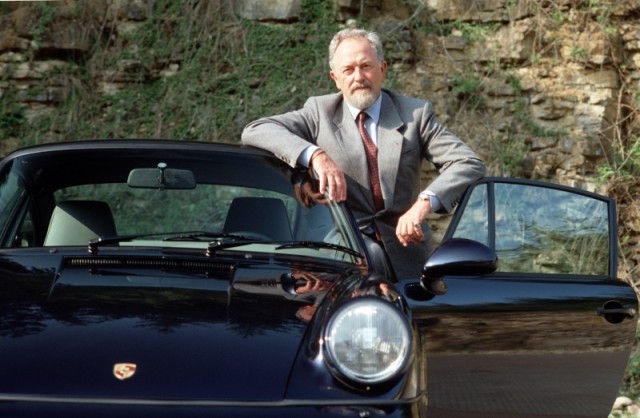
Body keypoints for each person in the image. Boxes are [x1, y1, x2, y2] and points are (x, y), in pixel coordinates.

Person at [242, 28, 485, 279]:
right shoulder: (319, 112)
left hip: (408, 257)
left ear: (383, 69)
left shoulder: (415, 115)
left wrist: (422, 205)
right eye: (348, 70)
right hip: (342, 255)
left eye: (366, 66)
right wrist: (316, 156)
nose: (358, 77)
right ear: (335, 78)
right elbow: (256, 130)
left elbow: (468, 162)